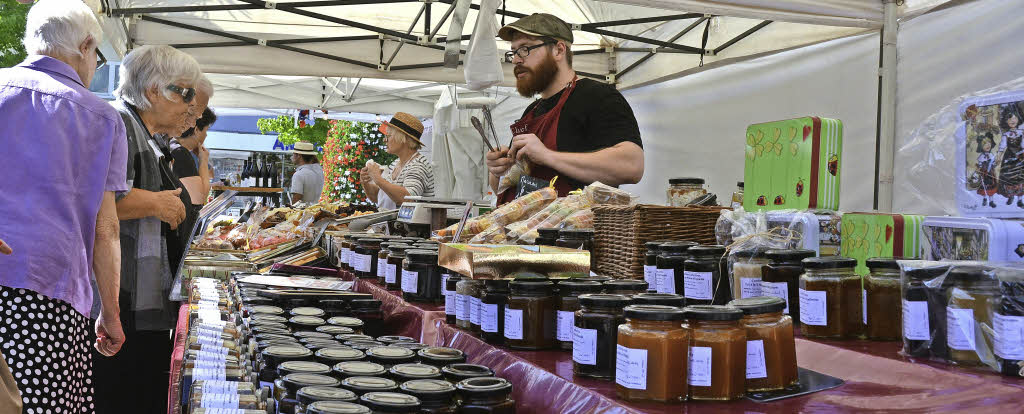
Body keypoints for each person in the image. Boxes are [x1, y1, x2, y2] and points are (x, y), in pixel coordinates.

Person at [0, 1, 127, 412]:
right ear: (86, 45)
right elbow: (105, 229)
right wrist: (111, 314)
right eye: (97, 56)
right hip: (48, 297)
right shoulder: (102, 118)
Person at [95, 44, 202, 414]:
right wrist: (158, 203)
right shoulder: (120, 123)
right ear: (154, 90)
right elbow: (102, 202)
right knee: (126, 395)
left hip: (141, 300)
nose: (192, 105)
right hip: (123, 299)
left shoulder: (143, 132)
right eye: (184, 92)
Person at [486, 13, 644, 202]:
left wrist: (547, 156)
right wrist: (499, 171)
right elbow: (509, 190)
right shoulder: (531, 111)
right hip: (526, 229)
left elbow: (632, 165)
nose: (515, 60)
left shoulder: (597, 96)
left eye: (525, 49)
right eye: (514, 52)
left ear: (559, 50)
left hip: (576, 228)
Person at [360, 112, 436, 209]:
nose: (385, 140)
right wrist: (365, 182)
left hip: (413, 224)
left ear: (403, 138)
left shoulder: (418, 165)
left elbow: (408, 199)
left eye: (388, 135)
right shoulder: (395, 163)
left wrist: (377, 178)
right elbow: (378, 198)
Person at [172, 108, 217, 206]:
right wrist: (203, 161)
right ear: (196, 130)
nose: (206, 135)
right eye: (206, 130)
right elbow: (200, 198)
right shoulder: (181, 154)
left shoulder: (172, 146)